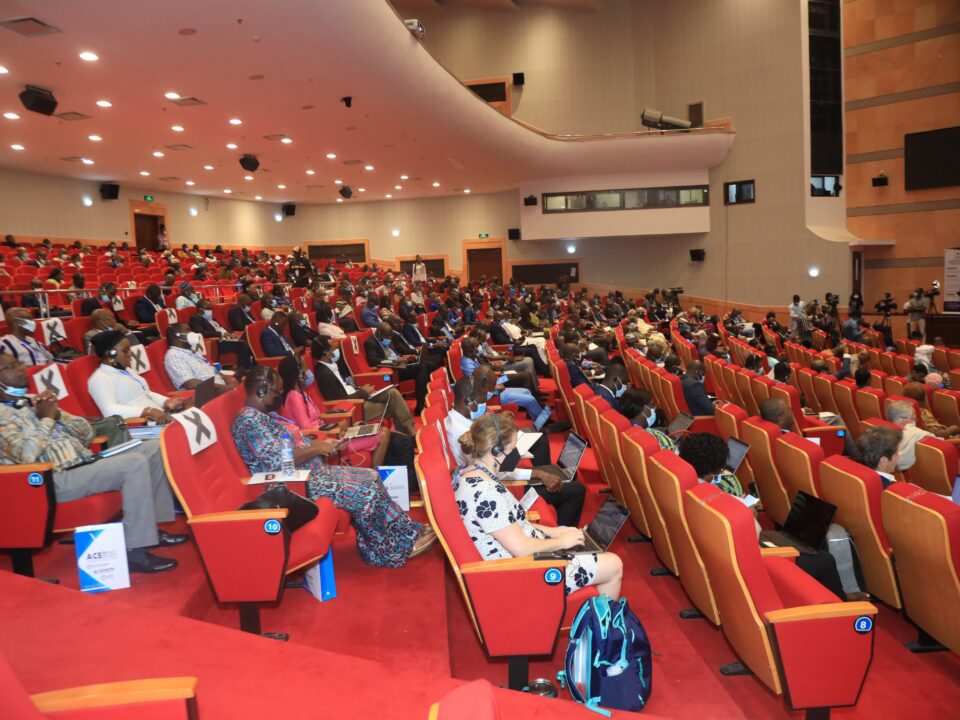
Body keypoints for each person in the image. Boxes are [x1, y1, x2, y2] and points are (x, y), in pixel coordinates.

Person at [0, 353, 186, 573]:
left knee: (154, 448)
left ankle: (150, 530)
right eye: (11, 366)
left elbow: (87, 434)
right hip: (51, 478)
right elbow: (26, 455)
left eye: (18, 363)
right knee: (134, 463)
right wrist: (47, 419)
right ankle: (135, 551)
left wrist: (58, 415)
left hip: (84, 460)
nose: (21, 368)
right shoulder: (3, 415)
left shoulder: (35, 401)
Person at [232, 366, 435, 567]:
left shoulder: (265, 414)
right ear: (262, 391)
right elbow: (277, 461)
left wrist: (315, 443)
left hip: (312, 473)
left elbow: (288, 445)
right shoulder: (249, 422)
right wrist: (318, 448)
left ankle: (406, 531)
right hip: (293, 486)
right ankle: (387, 551)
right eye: (278, 391)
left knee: (371, 476)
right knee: (365, 491)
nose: (282, 395)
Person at [453, 412, 622, 598]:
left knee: (579, 540)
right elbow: (522, 549)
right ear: (496, 451)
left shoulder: (471, 472)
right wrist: (561, 542)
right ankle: (598, 616)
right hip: (522, 574)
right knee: (614, 564)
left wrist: (553, 532)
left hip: (523, 556)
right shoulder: (485, 493)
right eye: (513, 449)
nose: (517, 455)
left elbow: (510, 525)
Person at [444, 375, 585, 527]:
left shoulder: (457, 420)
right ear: (469, 400)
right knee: (577, 490)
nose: (485, 405)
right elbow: (498, 470)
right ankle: (565, 533)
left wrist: (499, 421)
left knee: (559, 468)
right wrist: (537, 474)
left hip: (494, 477)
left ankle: (553, 491)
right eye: (483, 401)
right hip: (506, 484)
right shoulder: (462, 433)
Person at [277, 356, 394, 469]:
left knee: (381, 430)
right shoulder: (294, 397)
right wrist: (337, 428)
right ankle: (375, 477)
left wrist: (338, 427)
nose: (308, 373)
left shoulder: (302, 394)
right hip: (326, 441)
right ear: (299, 375)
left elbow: (318, 422)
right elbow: (308, 432)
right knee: (383, 435)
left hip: (330, 434)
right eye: (305, 369)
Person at [312, 338, 416, 437]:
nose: (337, 348)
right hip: (355, 406)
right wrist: (362, 392)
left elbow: (346, 386)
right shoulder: (323, 373)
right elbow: (340, 400)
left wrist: (360, 389)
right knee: (395, 406)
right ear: (327, 353)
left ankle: (409, 435)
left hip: (357, 394)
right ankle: (410, 436)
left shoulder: (332, 365)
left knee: (392, 393)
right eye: (333, 347)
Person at [87, 331, 186, 423]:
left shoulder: (127, 370)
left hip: (158, 418)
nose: (130, 354)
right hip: (138, 426)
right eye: (125, 351)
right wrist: (146, 411)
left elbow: (146, 393)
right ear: (110, 354)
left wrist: (166, 402)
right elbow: (109, 411)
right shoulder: (100, 378)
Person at [364, 322, 428, 415]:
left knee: (423, 366)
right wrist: (394, 361)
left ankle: (421, 403)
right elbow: (374, 361)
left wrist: (404, 357)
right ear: (380, 334)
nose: (389, 339)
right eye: (387, 336)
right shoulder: (371, 343)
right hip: (391, 371)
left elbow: (395, 354)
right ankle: (420, 407)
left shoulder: (388, 340)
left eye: (390, 336)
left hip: (399, 366)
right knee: (421, 368)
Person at [163, 323, 237, 393]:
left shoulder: (192, 352)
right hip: (207, 394)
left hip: (221, 389)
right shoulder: (174, 355)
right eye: (188, 330)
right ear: (177, 335)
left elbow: (213, 370)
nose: (192, 333)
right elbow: (191, 384)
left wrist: (230, 383)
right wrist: (225, 388)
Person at [189, 299, 253, 368]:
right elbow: (201, 333)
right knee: (243, 345)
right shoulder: (195, 318)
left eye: (211, 308)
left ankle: (251, 366)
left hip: (225, 339)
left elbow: (220, 328)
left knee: (246, 341)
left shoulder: (211, 318)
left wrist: (230, 334)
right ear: (200, 309)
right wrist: (221, 334)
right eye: (208, 308)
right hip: (216, 343)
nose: (210, 310)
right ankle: (243, 369)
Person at [884, 399, 934, 471]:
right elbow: (940, 446)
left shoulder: (881, 433)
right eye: (914, 418)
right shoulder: (917, 434)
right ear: (904, 420)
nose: (915, 421)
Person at [857, 424, 903, 489]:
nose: (898, 456)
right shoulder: (889, 489)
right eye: (896, 454)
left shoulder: (856, 478)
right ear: (883, 461)